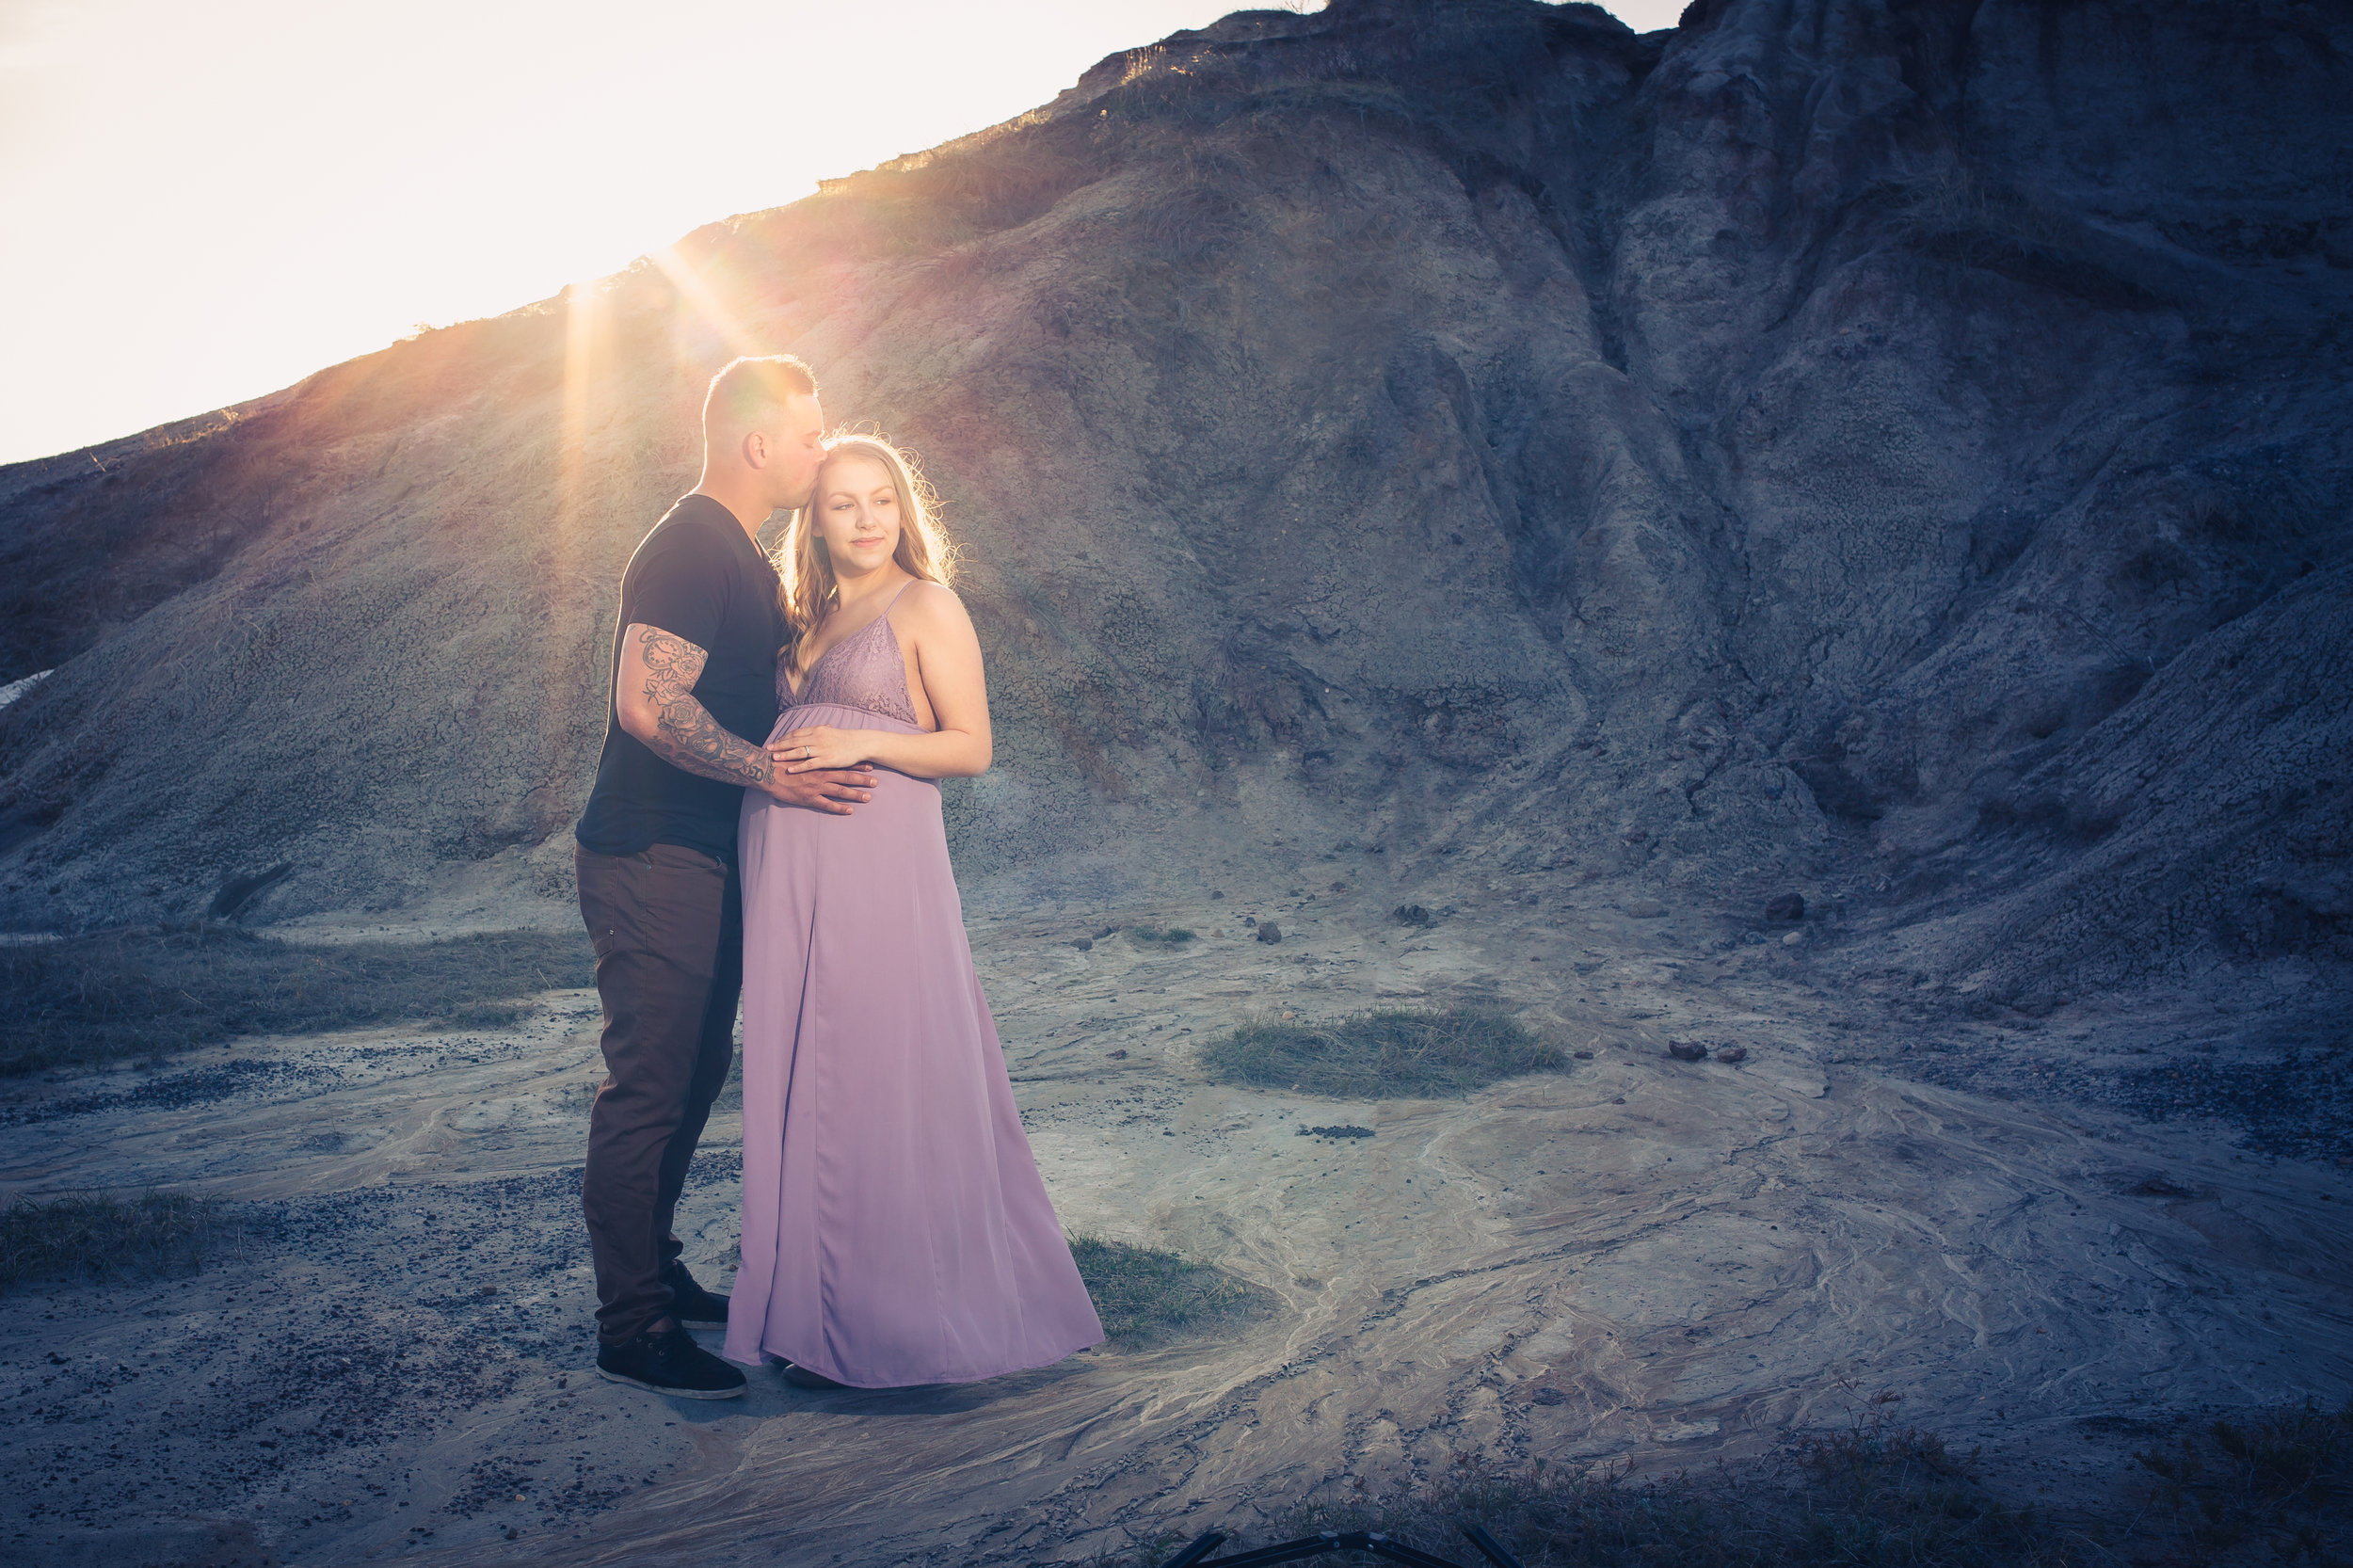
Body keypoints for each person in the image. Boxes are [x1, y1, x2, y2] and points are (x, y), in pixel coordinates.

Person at [725, 434, 1104, 1388]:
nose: (863, 520)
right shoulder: (802, 620)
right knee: (804, 1079)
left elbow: (970, 746)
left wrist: (857, 735)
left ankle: (898, 1327)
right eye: (842, 503)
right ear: (814, 520)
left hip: (876, 866)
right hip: (787, 867)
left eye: (880, 500)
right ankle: (808, 1320)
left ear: (905, 511)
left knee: (878, 1070)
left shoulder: (926, 604)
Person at [572, 355, 880, 1399]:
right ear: (757, 444)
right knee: (650, 1089)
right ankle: (632, 1328)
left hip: (704, 857)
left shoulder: (740, 556)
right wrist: (772, 776)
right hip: (651, 852)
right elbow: (647, 707)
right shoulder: (689, 546)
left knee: (697, 1076)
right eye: (807, 434)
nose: (820, 447)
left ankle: (656, 1273)